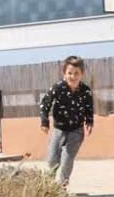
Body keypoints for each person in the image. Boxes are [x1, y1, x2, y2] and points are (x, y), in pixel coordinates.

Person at [39, 56, 94, 188]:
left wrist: (90, 121)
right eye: (69, 73)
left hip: (76, 131)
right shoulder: (58, 88)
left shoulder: (85, 91)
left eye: (76, 73)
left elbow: (89, 107)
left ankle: (61, 185)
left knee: (67, 159)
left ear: (82, 74)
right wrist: (44, 122)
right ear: (64, 73)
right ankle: (48, 185)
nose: (73, 76)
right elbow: (45, 104)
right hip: (59, 130)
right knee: (52, 160)